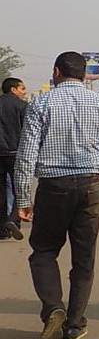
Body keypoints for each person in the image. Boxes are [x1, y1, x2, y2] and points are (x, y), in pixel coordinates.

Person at [14, 53, 99, 339]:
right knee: (84, 257)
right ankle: (74, 324)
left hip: (53, 186)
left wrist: (22, 199)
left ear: (56, 72)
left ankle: (53, 307)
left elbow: (26, 155)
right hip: (90, 186)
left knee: (43, 251)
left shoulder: (41, 103)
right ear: (85, 74)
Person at [0, 76, 28, 240]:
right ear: (13, 89)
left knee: (1, 191)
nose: (24, 92)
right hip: (15, 152)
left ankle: (2, 229)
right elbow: (28, 131)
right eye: (22, 89)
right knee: (20, 188)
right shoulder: (22, 106)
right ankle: (13, 220)